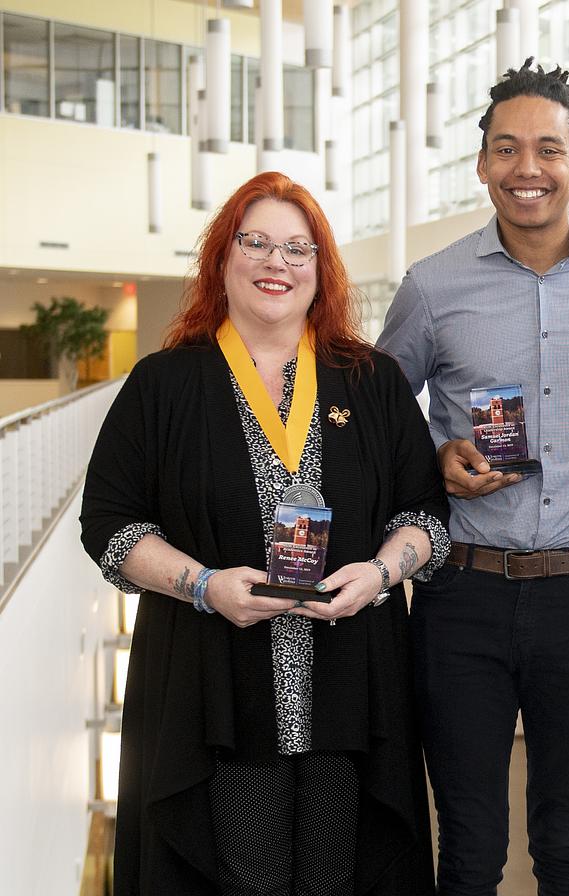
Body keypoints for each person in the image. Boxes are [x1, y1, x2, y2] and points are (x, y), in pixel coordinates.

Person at [79, 171, 449, 896]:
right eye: (256, 243)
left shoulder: (371, 381)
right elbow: (111, 527)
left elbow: (426, 515)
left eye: (297, 249)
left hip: (351, 694)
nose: (277, 263)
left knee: (336, 877)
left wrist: (378, 574)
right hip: (215, 691)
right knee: (238, 877)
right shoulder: (163, 384)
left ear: (321, 269)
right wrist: (205, 586)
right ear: (223, 259)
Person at [377, 58, 569, 896]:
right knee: (467, 848)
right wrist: (433, 460)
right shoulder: (431, 287)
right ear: (481, 165)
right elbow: (376, 425)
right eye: (506, 149)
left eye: (547, 149)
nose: (526, 169)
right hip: (463, 596)